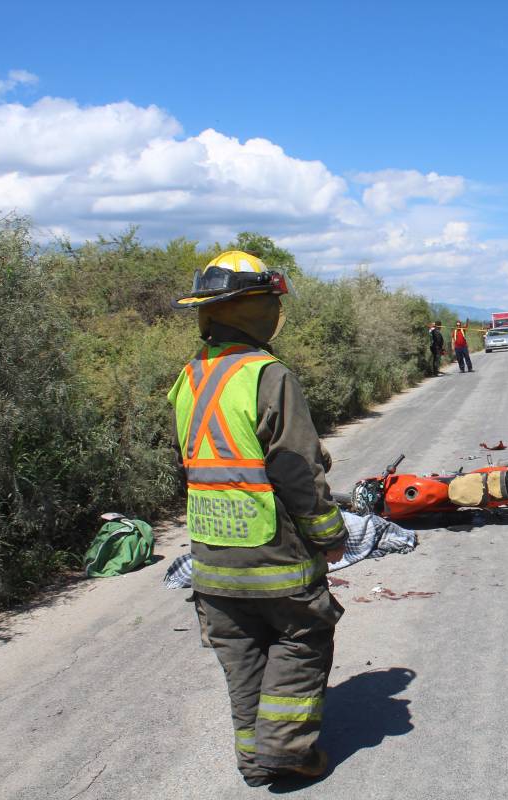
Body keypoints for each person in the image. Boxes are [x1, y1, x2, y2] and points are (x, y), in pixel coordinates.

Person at [168, 251, 347, 786]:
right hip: (273, 550)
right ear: (253, 309)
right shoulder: (268, 376)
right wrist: (330, 535)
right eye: (270, 301)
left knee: (242, 654)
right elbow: (298, 473)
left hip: (211, 552)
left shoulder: (190, 377)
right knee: (304, 634)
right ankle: (286, 749)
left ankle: (254, 759)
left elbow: (193, 462)